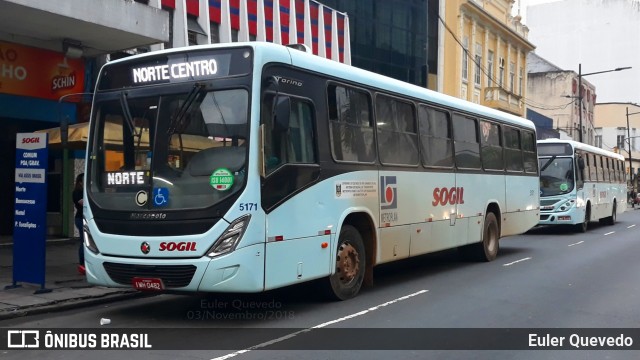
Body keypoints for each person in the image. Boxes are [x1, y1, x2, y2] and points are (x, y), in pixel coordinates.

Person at [73, 173, 85, 275]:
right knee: (83, 242)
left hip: (85, 219)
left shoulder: (85, 191)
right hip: (80, 219)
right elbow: (84, 203)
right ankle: (82, 263)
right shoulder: (77, 192)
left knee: (85, 241)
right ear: (80, 182)